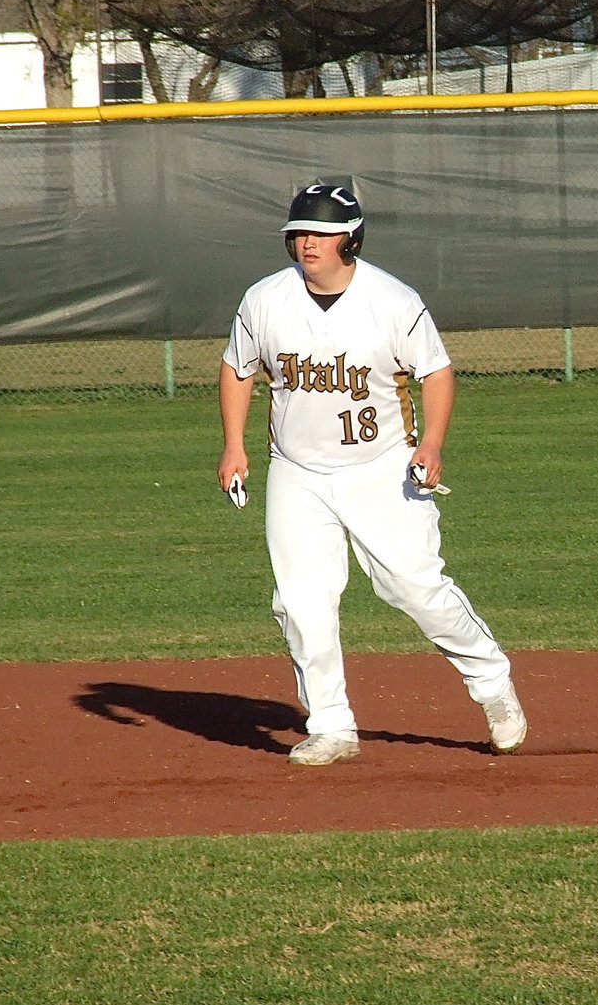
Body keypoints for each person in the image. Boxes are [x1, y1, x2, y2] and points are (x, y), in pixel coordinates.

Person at [217, 183, 528, 766]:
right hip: (298, 473)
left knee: (414, 588)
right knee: (301, 603)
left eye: (322, 233)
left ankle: (492, 683)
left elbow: (436, 372)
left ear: (350, 238)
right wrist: (233, 446)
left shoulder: (392, 301)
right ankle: (331, 725)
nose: (308, 243)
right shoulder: (264, 299)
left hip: (381, 468)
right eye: (300, 233)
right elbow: (237, 369)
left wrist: (432, 443)